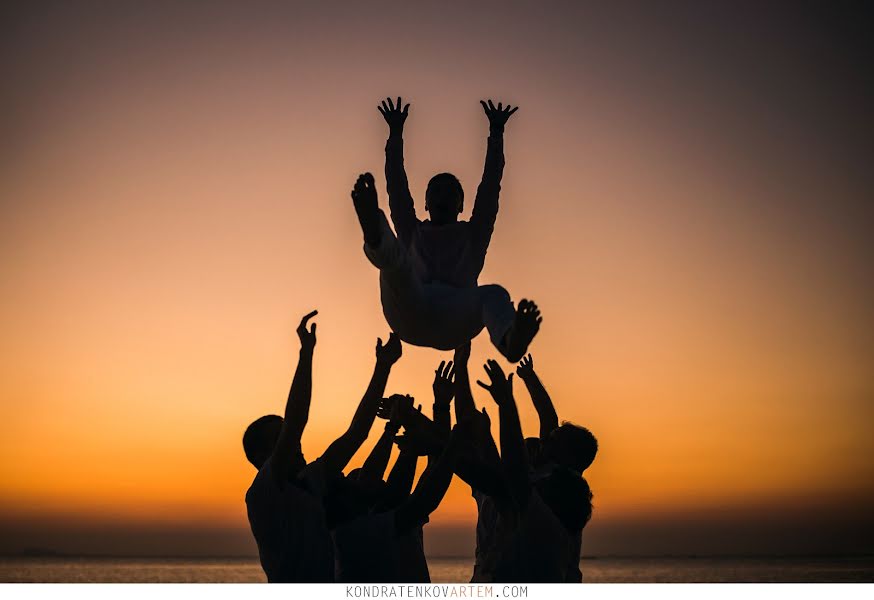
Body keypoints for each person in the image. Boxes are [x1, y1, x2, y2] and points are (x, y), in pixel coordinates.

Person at [350, 97, 541, 361]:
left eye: (451, 192)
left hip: (455, 316)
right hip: (410, 309)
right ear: (426, 203)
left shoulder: (474, 235)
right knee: (396, 264)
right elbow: (397, 187)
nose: (444, 195)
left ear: (461, 205)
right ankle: (374, 233)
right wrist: (395, 134)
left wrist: (496, 133)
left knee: (495, 293)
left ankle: (510, 341)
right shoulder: (412, 231)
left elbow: (489, 189)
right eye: (436, 191)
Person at [242, 310, 402, 582]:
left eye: (290, 440)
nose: (296, 444)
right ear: (262, 455)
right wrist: (306, 353)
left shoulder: (310, 482)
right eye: (281, 440)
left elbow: (357, 434)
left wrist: (383, 367)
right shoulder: (263, 492)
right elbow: (296, 421)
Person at [329, 395, 470, 583]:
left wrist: (439, 408)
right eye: (357, 480)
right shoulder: (353, 534)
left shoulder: (382, 515)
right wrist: (412, 430)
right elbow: (424, 495)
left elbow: (433, 467)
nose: (375, 478)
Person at [515, 353, 597, 582]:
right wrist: (529, 378)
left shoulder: (562, 485)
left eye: (553, 440)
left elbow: (548, 418)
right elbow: (548, 416)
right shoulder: (553, 470)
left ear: (568, 454)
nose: (544, 440)